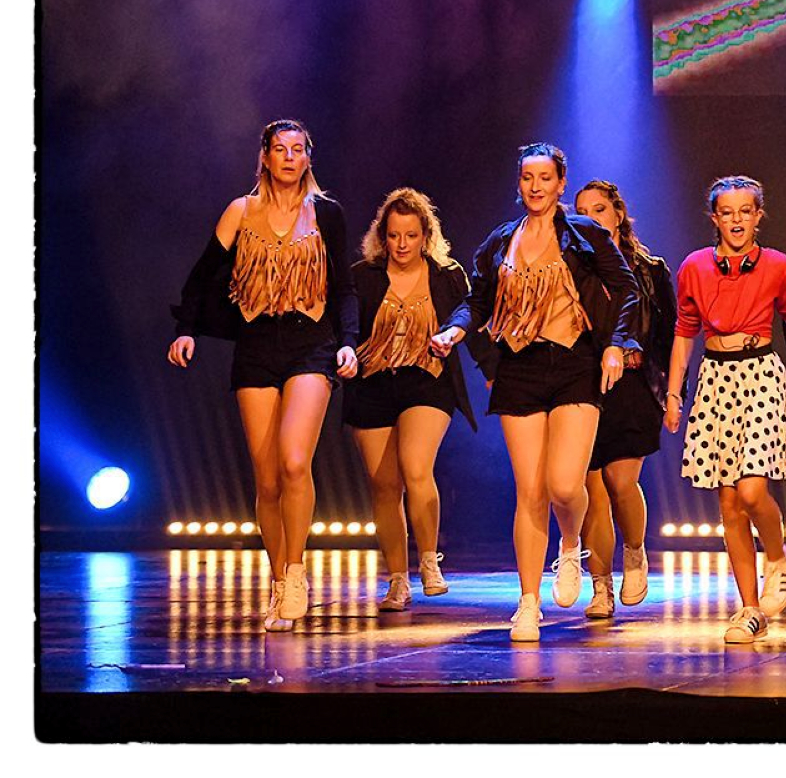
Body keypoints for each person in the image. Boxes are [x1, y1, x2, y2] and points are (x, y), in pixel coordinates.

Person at [437, 142, 642, 643]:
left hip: (574, 364)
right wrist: (455, 329)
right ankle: (528, 603)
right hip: (519, 369)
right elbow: (477, 299)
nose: (535, 186)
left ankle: (570, 544)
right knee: (529, 490)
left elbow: (627, 288)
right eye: (528, 178)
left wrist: (616, 344)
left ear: (560, 183)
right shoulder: (501, 241)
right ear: (519, 183)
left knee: (565, 486)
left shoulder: (584, 234)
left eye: (545, 178)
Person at [168, 119, 357, 631]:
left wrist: (347, 341)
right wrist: (187, 331)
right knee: (268, 477)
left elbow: (343, 287)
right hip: (255, 346)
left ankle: (296, 572)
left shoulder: (327, 214)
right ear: (266, 157)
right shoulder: (241, 211)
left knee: (295, 461)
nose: (290, 157)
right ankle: (277, 580)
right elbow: (203, 276)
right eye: (280, 149)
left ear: (308, 157)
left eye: (298, 149)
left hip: (311, 343)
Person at [664, 176, 786, 643]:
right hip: (716, 379)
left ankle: (777, 556)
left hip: (760, 376)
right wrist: (674, 394)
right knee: (729, 503)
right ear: (714, 218)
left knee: (752, 491)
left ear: (758, 216)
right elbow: (684, 332)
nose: (736, 220)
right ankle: (750, 609)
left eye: (745, 211)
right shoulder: (694, 266)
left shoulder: (776, 265)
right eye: (727, 212)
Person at [341, 187, 476, 612]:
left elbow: (468, 311)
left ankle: (429, 561)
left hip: (427, 379)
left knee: (416, 465)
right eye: (395, 235)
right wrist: (345, 352)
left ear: (425, 236)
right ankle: (397, 580)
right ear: (383, 236)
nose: (402, 245)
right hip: (373, 382)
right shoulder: (363, 275)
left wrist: (465, 345)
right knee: (384, 484)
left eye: (411, 236)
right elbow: (346, 322)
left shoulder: (446, 273)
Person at [573, 179, 675, 621]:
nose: (590, 219)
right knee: (591, 489)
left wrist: (672, 393)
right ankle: (600, 586)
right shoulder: (570, 267)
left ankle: (634, 552)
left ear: (618, 214)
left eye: (599, 209)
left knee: (619, 482)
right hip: (582, 385)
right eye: (580, 212)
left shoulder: (650, 270)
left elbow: (670, 335)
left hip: (634, 385)